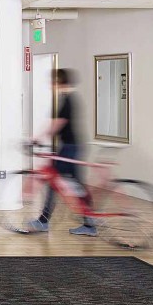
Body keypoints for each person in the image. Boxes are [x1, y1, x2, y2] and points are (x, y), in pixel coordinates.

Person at [28, 68, 98, 236]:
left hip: (69, 148)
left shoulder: (67, 100)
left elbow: (57, 124)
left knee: (56, 183)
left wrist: (36, 139)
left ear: (59, 82)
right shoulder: (70, 98)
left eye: (53, 82)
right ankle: (90, 222)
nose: (51, 85)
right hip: (71, 147)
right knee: (75, 184)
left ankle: (44, 221)